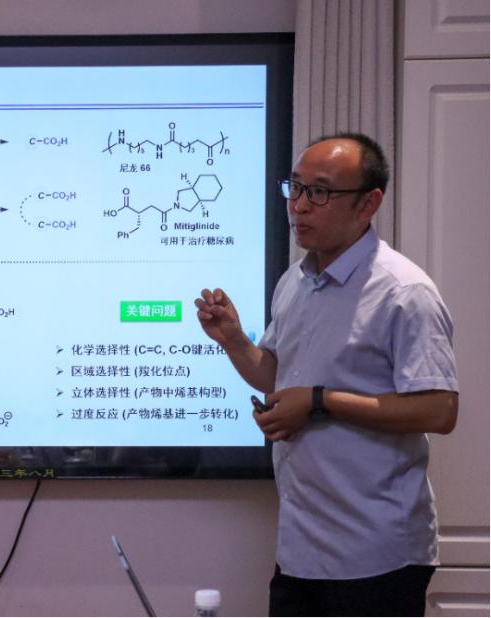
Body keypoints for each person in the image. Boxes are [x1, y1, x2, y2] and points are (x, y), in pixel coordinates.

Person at [194, 133, 458, 617]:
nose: (299, 206)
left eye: (319, 192)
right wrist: (233, 340)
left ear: (368, 203)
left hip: (377, 554)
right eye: (295, 187)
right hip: (301, 549)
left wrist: (320, 401)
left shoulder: (404, 291)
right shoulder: (295, 282)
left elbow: (439, 409)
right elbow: (277, 377)